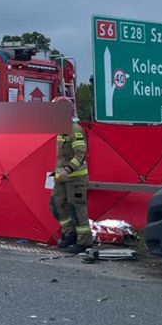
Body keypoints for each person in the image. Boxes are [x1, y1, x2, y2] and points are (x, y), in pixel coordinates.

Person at [51, 98, 91, 254]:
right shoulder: (61, 129)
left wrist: (68, 169)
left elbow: (80, 153)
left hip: (76, 177)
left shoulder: (74, 129)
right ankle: (70, 235)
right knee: (57, 204)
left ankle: (84, 242)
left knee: (77, 208)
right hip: (62, 177)